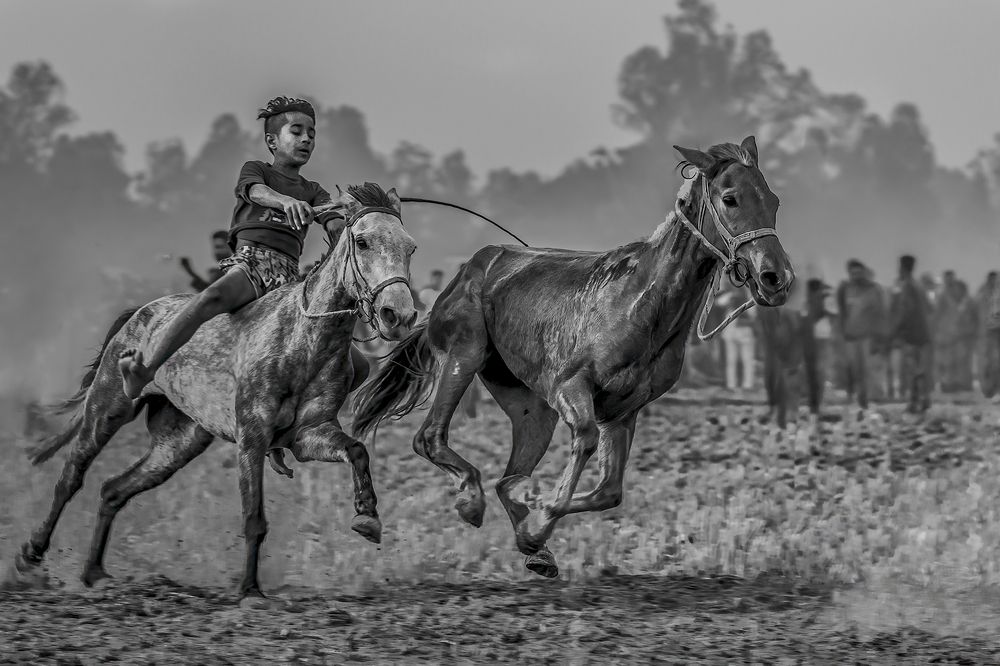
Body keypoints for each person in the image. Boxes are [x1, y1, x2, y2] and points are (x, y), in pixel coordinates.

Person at [118, 96, 368, 399]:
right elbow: (257, 192)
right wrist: (286, 201)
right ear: (272, 141)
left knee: (358, 365)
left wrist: (349, 215)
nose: (306, 140)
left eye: (312, 134)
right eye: (297, 131)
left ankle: (303, 411)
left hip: (290, 283)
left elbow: (336, 229)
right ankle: (144, 370)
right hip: (252, 265)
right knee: (210, 298)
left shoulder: (315, 191)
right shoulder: (257, 171)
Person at [836, 259, 887, 412]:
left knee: (866, 371)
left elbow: (880, 314)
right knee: (853, 370)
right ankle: (856, 400)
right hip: (850, 337)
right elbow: (842, 312)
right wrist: (842, 333)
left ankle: (865, 402)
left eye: (859, 272)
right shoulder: (845, 289)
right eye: (853, 273)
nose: (856, 276)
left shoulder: (873, 290)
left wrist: (879, 338)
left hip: (867, 338)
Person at [889, 255, 932, 414]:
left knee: (913, 369)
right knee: (919, 369)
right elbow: (929, 308)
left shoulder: (907, 286)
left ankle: (915, 402)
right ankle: (924, 399)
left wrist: (896, 330)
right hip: (923, 332)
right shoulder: (919, 286)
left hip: (912, 334)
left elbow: (906, 311)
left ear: (902, 268)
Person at [719, 284, 756, 392]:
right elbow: (720, 303)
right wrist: (731, 298)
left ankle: (748, 385)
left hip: (745, 332)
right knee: (731, 360)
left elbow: (753, 316)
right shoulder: (729, 297)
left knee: (747, 360)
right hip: (731, 332)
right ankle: (732, 385)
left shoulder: (749, 298)